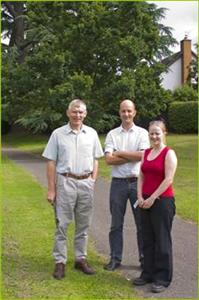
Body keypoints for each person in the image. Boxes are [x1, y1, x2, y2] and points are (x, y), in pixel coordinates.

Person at [42, 99, 104, 279]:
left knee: (83, 224)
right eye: (75, 111)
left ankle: (80, 259)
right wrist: (51, 190)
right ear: (68, 113)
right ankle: (60, 261)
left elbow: (96, 158)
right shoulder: (58, 134)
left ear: (85, 114)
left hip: (86, 183)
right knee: (62, 223)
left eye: (81, 112)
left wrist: (93, 180)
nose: (78, 115)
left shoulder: (91, 134)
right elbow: (51, 162)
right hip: (65, 182)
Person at [103, 99, 150, 271]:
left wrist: (120, 153)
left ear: (134, 112)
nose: (126, 114)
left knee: (142, 224)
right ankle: (115, 259)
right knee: (116, 223)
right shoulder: (112, 134)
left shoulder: (143, 133)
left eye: (129, 111)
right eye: (123, 111)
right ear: (119, 113)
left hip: (137, 183)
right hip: (118, 184)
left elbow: (143, 156)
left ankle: (145, 259)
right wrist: (133, 155)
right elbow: (108, 160)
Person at [133, 120, 177, 293]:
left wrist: (152, 197)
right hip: (144, 200)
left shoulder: (169, 153)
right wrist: (139, 196)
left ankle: (162, 278)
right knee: (147, 238)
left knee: (162, 239)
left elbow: (169, 179)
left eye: (157, 132)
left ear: (164, 133)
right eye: (151, 133)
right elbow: (141, 176)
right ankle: (148, 274)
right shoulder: (146, 153)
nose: (154, 136)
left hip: (162, 202)